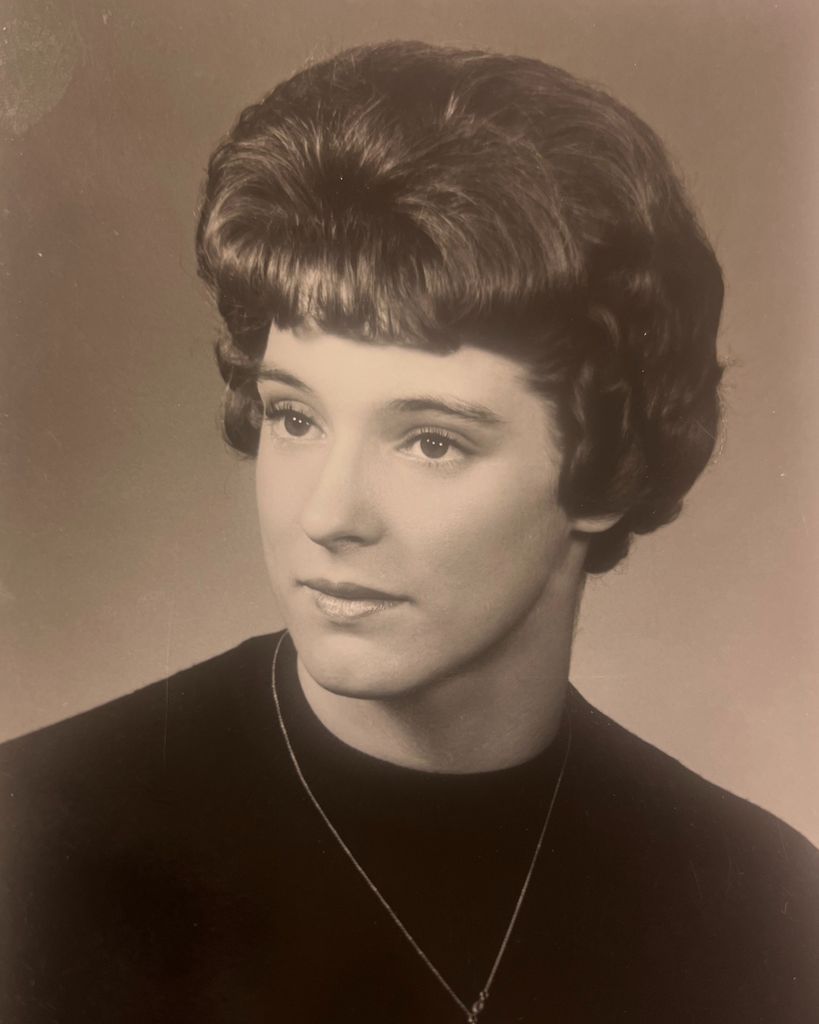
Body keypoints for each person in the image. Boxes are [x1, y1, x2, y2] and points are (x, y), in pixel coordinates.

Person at [2, 40, 817, 1024]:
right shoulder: (31, 845)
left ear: (606, 467)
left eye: (431, 441)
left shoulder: (763, 904)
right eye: (295, 418)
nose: (327, 515)